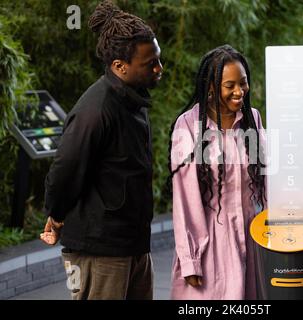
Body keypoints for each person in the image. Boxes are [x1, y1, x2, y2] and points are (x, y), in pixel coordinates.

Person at [40, 0, 163, 300]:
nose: (160, 68)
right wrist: (55, 216)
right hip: (98, 251)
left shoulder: (133, 99)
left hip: (131, 246)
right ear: (120, 66)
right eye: (151, 64)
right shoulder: (95, 110)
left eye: (159, 59)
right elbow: (65, 170)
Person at [168, 45, 266, 299]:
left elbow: (265, 181)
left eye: (243, 83)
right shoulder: (189, 126)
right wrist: (191, 259)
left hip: (251, 235)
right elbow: (185, 198)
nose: (239, 92)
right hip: (210, 242)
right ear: (211, 87)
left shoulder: (251, 120)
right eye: (230, 85)